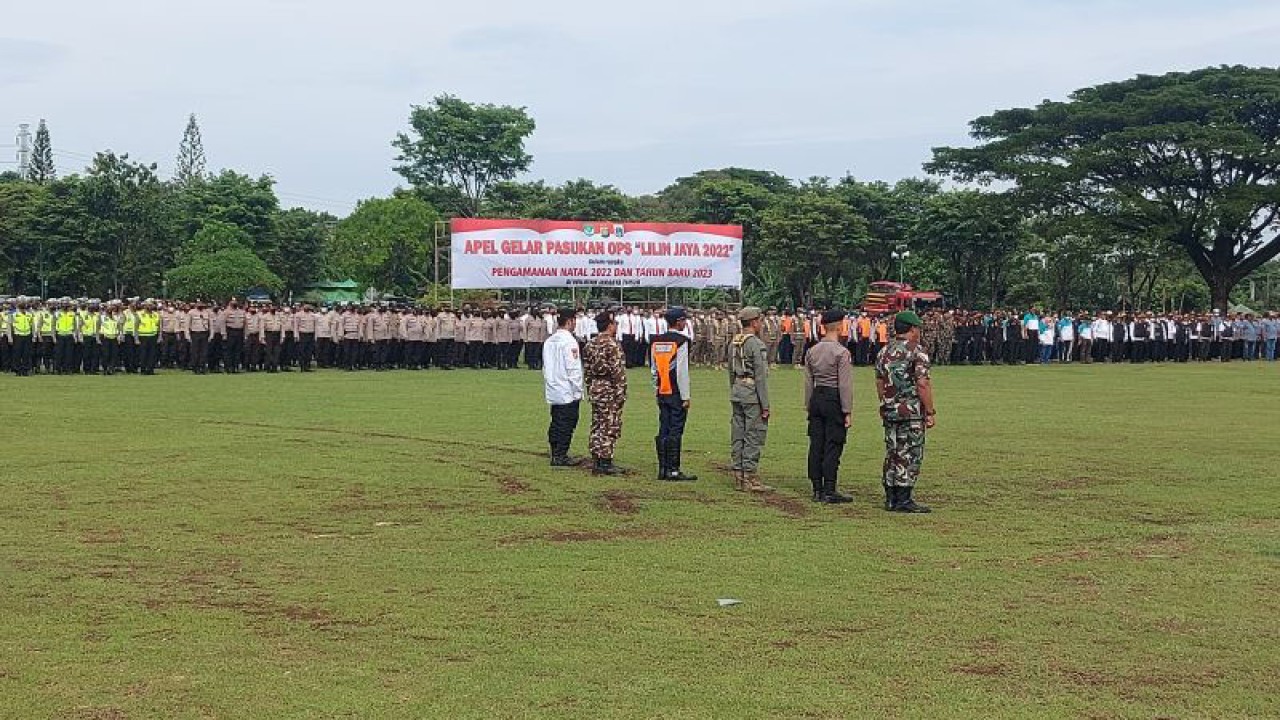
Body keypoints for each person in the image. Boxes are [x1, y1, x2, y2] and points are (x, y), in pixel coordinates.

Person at [875, 311, 936, 513]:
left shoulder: (884, 352)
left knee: (892, 452)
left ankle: (891, 497)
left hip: (890, 409)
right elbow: (922, 384)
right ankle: (904, 497)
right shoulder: (917, 351)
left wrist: (885, 402)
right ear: (912, 329)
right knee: (910, 453)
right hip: (911, 411)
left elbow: (880, 381)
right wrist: (930, 411)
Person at [804, 309, 855, 504]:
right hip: (834, 399)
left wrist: (808, 404)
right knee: (833, 444)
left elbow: (809, 382)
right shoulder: (841, 352)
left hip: (817, 397)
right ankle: (829, 488)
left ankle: (816, 487)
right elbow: (844, 384)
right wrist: (847, 410)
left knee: (816, 443)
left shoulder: (812, 351)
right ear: (840, 326)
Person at [728, 307, 773, 493]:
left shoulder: (734, 342)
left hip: (737, 390)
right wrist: (766, 404)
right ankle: (750, 477)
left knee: (738, 433)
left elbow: (730, 370)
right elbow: (761, 376)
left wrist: (734, 389)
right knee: (754, 434)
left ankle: (738, 474)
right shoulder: (755, 344)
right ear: (754, 322)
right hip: (752, 393)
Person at [650, 307, 697, 482]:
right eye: (684, 320)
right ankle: (673, 470)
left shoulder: (656, 340)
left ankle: (663, 468)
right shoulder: (682, 341)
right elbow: (681, 371)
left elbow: (654, 369)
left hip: (662, 389)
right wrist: (686, 396)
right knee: (676, 430)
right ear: (678, 322)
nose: (685, 323)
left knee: (664, 427)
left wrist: (656, 388)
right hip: (676, 391)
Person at [582, 311, 627, 476]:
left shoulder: (590, 344)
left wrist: (590, 387)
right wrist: (621, 392)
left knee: (597, 422)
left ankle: (596, 455)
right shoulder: (612, 344)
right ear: (610, 325)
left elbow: (586, 370)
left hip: (595, 386)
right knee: (610, 423)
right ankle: (605, 461)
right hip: (609, 387)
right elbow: (617, 371)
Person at [543, 307, 584, 467]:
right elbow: (573, 369)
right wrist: (578, 390)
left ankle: (556, 452)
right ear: (570, 321)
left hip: (553, 387)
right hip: (567, 389)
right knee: (567, 423)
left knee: (556, 421)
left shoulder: (550, 340)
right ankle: (561, 455)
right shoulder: (569, 341)